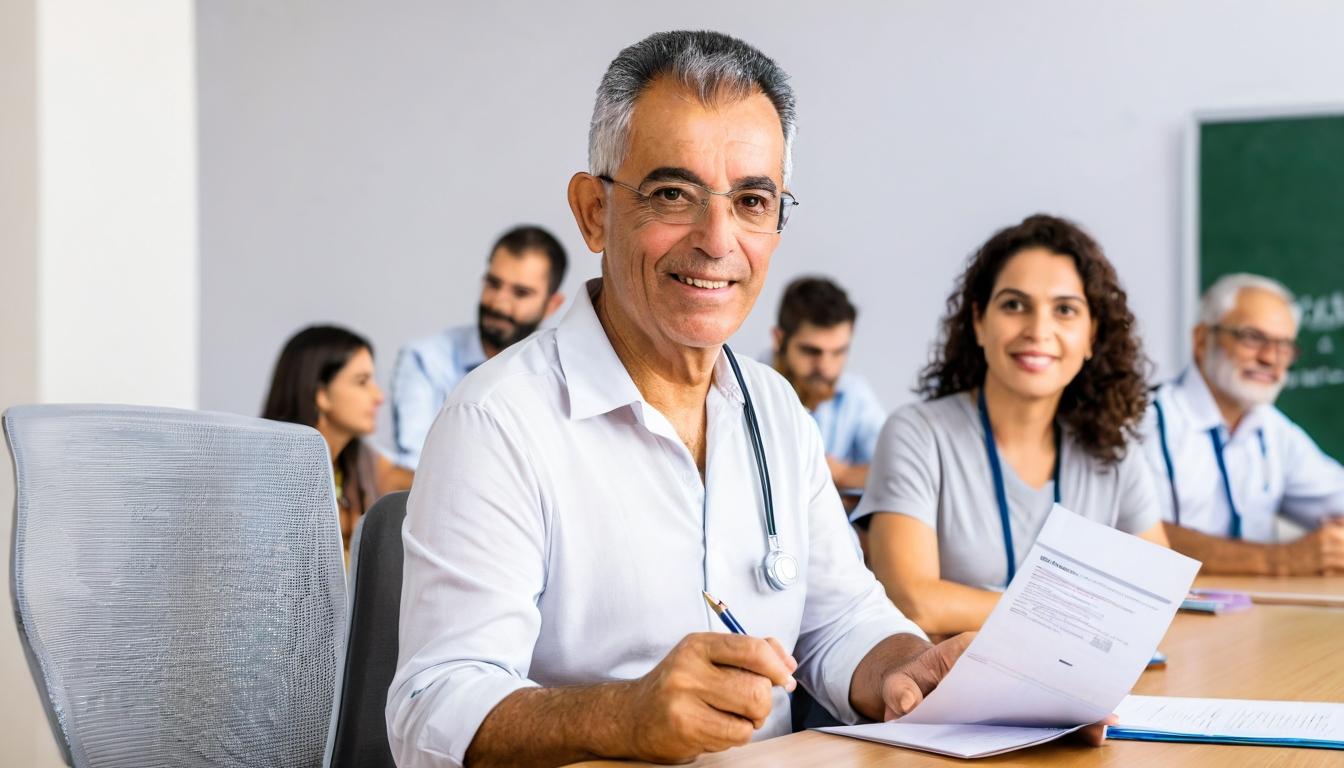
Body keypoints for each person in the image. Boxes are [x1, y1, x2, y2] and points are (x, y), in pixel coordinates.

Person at [386, 32, 1111, 768]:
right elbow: (431, 709)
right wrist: (622, 717)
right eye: (673, 194)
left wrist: (908, 666)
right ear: (593, 211)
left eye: (752, 201)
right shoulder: (497, 421)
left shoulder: (774, 410)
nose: (717, 240)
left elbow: (840, 621)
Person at [854, 214, 1169, 638]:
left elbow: (1153, 600)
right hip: (952, 678)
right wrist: (1077, 614)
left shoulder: (1114, 450)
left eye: (1065, 310)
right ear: (979, 322)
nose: (1038, 330)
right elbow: (914, 601)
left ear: (1092, 335)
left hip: (1073, 679)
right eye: (1014, 305)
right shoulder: (918, 434)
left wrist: (980, 609)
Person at [1141, 273, 1344, 575]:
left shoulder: (1273, 428)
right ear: (1201, 340)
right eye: (1252, 337)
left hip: (1256, 604)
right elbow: (1137, 533)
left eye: (1284, 346)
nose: (1270, 358)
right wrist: (1281, 560)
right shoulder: (1144, 421)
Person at [390, 225, 568, 468]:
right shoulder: (426, 360)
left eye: (520, 293)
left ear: (552, 305)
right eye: (493, 284)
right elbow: (416, 468)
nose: (499, 304)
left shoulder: (563, 376)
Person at [262, 325, 412, 548]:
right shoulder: (269, 480)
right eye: (362, 381)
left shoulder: (362, 460)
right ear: (321, 394)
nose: (378, 396)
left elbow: (416, 483)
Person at [771, 277, 886, 495]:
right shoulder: (742, 390)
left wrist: (844, 475)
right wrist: (839, 477)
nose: (826, 367)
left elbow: (898, 469)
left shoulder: (854, 394)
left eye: (838, 352)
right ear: (778, 340)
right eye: (811, 351)